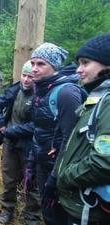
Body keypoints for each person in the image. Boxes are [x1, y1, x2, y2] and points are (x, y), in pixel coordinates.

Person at [26, 43, 85, 225]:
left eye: (41, 64)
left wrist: (54, 180)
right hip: (43, 165)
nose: (34, 69)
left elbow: (70, 141)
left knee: (59, 218)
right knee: (48, 215)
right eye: (33, 63)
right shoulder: (41, 90)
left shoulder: (66, 93)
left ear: (54, 66)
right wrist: (31, 163)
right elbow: (39, 131)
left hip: (61, 173)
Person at [57, 33, 110, 225]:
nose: (79, 70)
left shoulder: (108, 102)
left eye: (85, 63)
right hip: (82, 205)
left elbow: (104, 162)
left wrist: (64, 177)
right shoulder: (97, 98)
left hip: (92, 211)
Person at [0, 61, 41, 225]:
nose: (26, 80)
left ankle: (32, 215)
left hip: (30, 146)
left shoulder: (39, 96)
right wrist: (1, 125)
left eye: (30, 76)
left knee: (31, 180)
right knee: (9, 178)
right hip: (9, 143)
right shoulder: (13, 90)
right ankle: (7, 209)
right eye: (24, 75)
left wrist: (11, 131)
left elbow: (36, 125)